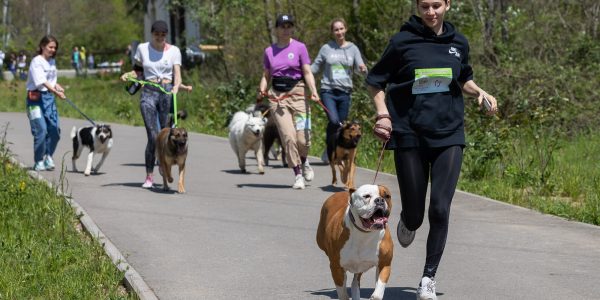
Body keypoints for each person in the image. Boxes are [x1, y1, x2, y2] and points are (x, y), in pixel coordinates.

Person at [365, 1, 498, 299]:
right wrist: (383, 113)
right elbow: (375, 81)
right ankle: (409, 222)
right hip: (409, 134)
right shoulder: (402, 41)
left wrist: (480, 92)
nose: (431, 12)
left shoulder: (458, 42)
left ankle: (428, 278)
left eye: (437, 5)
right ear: (417, 6)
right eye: (424, 6)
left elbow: (463, 77)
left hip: (449, 134)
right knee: (415, 214)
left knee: (440, 208)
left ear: (448, 4)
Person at [256, 14, 320, 190]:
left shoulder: (300, 47)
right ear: (276, 29)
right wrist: (262, 89)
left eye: (288, 26)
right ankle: (298, 173)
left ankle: (305, 160)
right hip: (277, 98)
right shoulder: (269, 51)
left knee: (303, 139)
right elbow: (266, 75)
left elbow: (307, 72)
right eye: (282, 26)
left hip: (298, 95)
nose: (285, 29)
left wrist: (314, 92)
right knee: (288, 137)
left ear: (292, 28)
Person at [120, 20, 183, 188]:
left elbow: (177, 73)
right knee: (153, 136)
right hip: (148, 91)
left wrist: (176, 86)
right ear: (152, 34)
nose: (160, 38)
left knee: (166, 133)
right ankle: (149, 176)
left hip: (166, 93)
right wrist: (129, 74)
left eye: (163, 35)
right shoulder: (142, 48)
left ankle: (164, 164)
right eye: (157, 35)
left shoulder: (174, 51)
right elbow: (138, 70)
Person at [311, 18, 367, 163]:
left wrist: (362, 69)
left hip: (345, 92)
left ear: (346, 29)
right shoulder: (326, 48)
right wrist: (303, 73)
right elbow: (315, 67)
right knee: (334, 121)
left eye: (341, 29)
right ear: (332, 32)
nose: (339, 32)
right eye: (336, 29)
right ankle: (330, 149)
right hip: (328, 90)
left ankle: (334, 149)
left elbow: (360, 66)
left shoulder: (353, 48)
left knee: (341, 124)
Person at [25, 35, 67, 171]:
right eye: (50, 47)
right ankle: (39, 160)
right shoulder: (36, 61)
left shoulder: (52, 61)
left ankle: (49, 155)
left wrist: (57, 86)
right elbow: (41, 81)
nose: (53, 50)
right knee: (41, 130)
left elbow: (51, 80)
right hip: (35, 100)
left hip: (49, 99)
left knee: (55, 130)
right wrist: (56, 92)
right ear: (43, 46)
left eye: (55, 47)